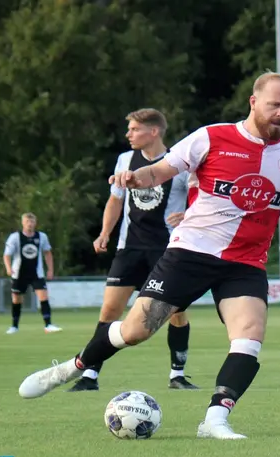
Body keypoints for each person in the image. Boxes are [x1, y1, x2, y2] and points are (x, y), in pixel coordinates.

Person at [18, 72, 280, 440]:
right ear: (253, 101)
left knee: (249, 337)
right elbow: (160, 171)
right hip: (190, 252)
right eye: (274, 104)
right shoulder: (211, 137)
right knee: (135, 331)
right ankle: (72, 367)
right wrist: (136, 178)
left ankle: (215, 420)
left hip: (245, 263)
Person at [67, 109, 198, 392]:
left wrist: (188, 215)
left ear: (154, 131)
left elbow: (200, 197)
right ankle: (90, 375)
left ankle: (178, 375)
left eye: (134, 129)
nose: (128, 134)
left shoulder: (178, 161)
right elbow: (115, 201)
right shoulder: (124, 161)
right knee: (110, 311)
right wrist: (105, 233)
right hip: (129, 249)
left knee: (176, 314)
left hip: (168, 251)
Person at [3, 213, 63, 334]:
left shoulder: (42, 237)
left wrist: (50, 269)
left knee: (44, 296)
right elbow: (7, 255)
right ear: (23, 223)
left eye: (32, 222)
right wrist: (9, 268)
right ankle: (14, 326)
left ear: (35, 223)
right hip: (19, 274)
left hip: (37, 273)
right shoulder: (15, 237)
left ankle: (48, 325)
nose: (30, 224)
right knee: (16, 299)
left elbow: (47, 253)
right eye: (27, 222)